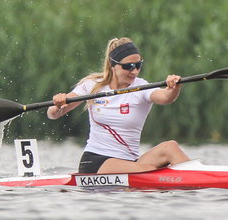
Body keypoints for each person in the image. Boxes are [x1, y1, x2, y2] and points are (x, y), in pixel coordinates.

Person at [47, 37, 190, 174]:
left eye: (138, 65)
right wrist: (59, 104)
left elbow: (166, 98)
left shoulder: (141, 87)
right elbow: (53, 114)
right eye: (128, 66)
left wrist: (174, 87)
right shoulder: (92, 85)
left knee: (170, 147)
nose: (134, 71)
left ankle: (202, 180)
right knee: (149, 170)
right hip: (96, 161)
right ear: (112, 65)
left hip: (131, 162)